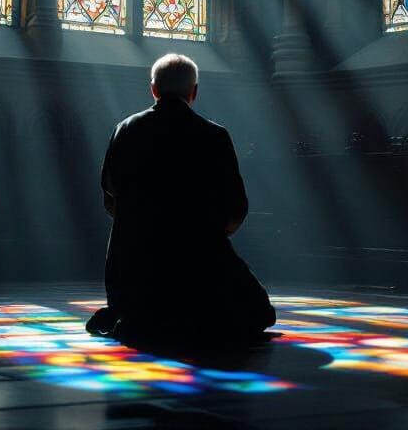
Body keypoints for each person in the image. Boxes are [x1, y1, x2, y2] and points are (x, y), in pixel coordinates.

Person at [87, 54, 275, 348]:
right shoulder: (214, 135)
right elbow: (236, 205)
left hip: (137, 261)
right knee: (258, 313)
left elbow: (110, 194)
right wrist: (210, 236)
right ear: (194, 92)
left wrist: (137, 227)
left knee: (144, 309)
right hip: (201, 258)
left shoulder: (126, 129)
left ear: (154, 89)